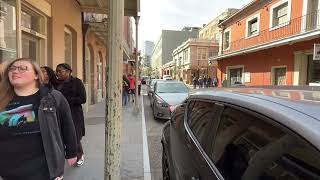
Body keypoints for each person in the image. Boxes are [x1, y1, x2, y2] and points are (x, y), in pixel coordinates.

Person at [0, 58, 77, 180]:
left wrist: (72, 153)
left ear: (36, 75)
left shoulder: (52, 97)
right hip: (7, 169)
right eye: (12, 69)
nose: (15, 71)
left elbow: (67, 126)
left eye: (22, 68)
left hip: (43, 169)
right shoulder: (2, 98)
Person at [56, 63, 86, 167]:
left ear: (68, 71)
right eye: (57, 71)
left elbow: (83, 99)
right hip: (59, 113)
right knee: (62, 135)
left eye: (60, 71)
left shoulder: (77, 82)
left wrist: (66, 100)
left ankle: (79, 155)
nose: (58, 73)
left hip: (74, 113)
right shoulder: (56, 83)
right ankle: (67, 155)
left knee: (75, 136)